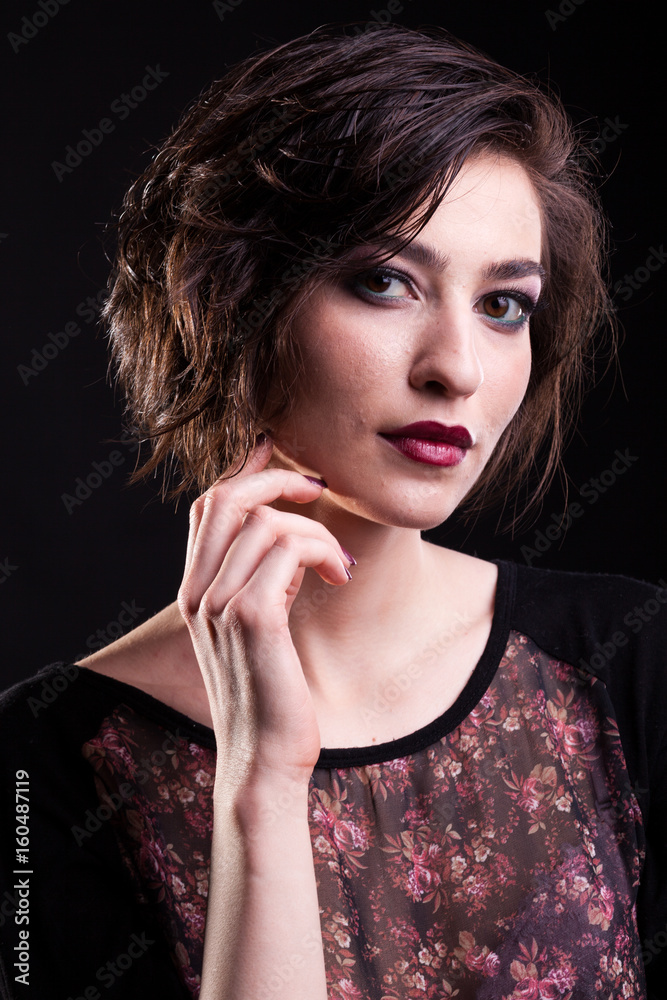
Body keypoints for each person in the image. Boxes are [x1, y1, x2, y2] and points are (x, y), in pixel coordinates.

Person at [1, 21, 665, 1000]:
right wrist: (262, 786)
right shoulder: (37, 765)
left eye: (503, 305)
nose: (455, 368)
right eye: (383, 282)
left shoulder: (625, 660)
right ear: (233, 302)